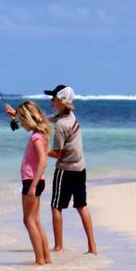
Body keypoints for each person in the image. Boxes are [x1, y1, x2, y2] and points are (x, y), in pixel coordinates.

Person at [44, 84, 97, 255]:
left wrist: (41, 152)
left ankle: (58, 247)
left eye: (53, 98)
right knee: (81, 206)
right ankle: (92, 247)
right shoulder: (69, 116)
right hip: (80, 168)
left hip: (65, 170)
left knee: (56, 207)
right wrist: (18, 116)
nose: (51, 101)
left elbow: (58, 153)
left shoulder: (61, 126)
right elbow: (47, 119)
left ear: (61, 101)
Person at [4, 100, 52, 266]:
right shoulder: (41, 133)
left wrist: (32, 186)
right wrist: (14, 114)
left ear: (29, 119)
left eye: (22, 120)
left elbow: (43, 161)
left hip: (32, 181)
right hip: (36, 181)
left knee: (29, 221)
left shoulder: (36, 137)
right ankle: (46, 258)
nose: (21, 124)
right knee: (36, 221)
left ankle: (39, 260)